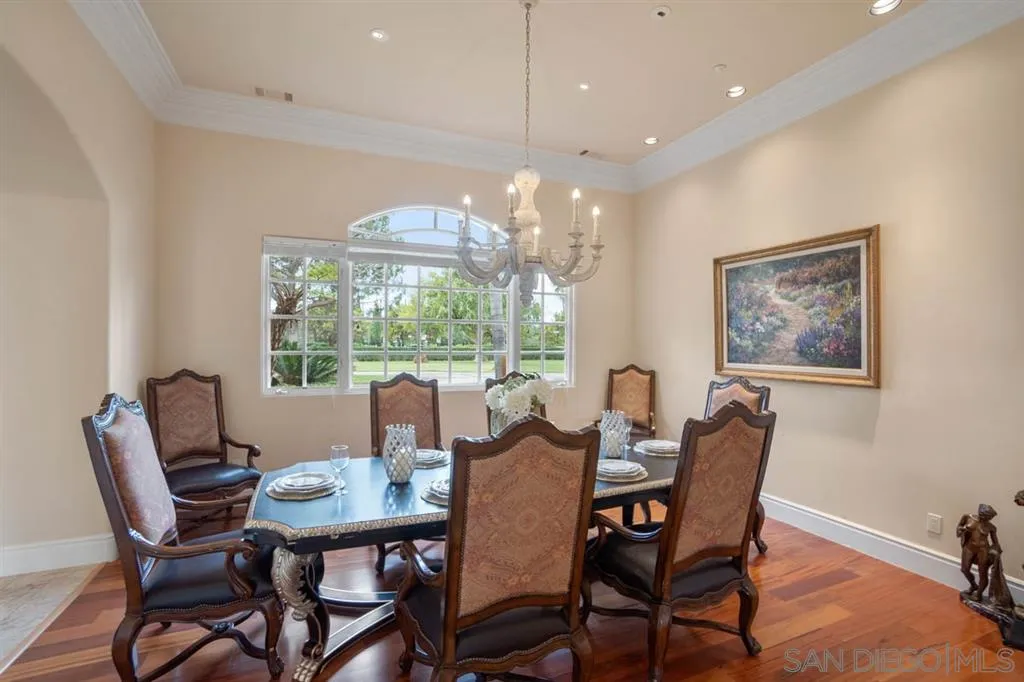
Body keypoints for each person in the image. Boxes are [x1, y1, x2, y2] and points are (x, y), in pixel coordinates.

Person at [956, 504, 1001, 602]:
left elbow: (995, 543)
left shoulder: (991, 527)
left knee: (983, 573)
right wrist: (963, 529)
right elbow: (958, 530)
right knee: (965, 569)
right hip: (969, 547)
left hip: (983, 550)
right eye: (985, 516)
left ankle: (979, 594)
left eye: (989, 518)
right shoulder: (968, 517)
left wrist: (996, 552)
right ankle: (973, 585)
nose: (986, 519)